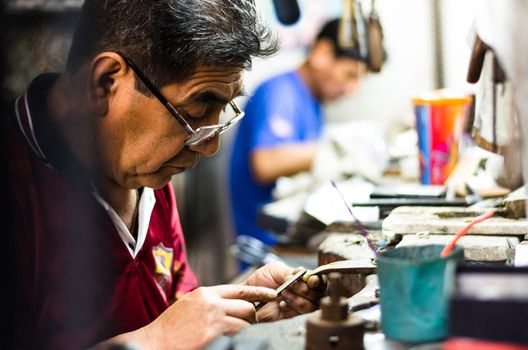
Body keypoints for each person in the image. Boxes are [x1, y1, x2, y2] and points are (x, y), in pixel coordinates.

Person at [4, 1, 324, 349]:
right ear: (105, 83)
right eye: (196, 112)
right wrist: (155, 340)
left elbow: (169, 307)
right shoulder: (18, 185)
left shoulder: (143, 173)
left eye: (220, 114)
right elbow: (163, 333)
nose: (209, 146)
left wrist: (243, 310)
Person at [229, 18, 368, 245]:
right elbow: (265, 163)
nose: (352, 90)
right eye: (349, 75)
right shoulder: (280, 92)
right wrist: (335, 150)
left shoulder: (312, 100)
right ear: (322, 53)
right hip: (269, 244)